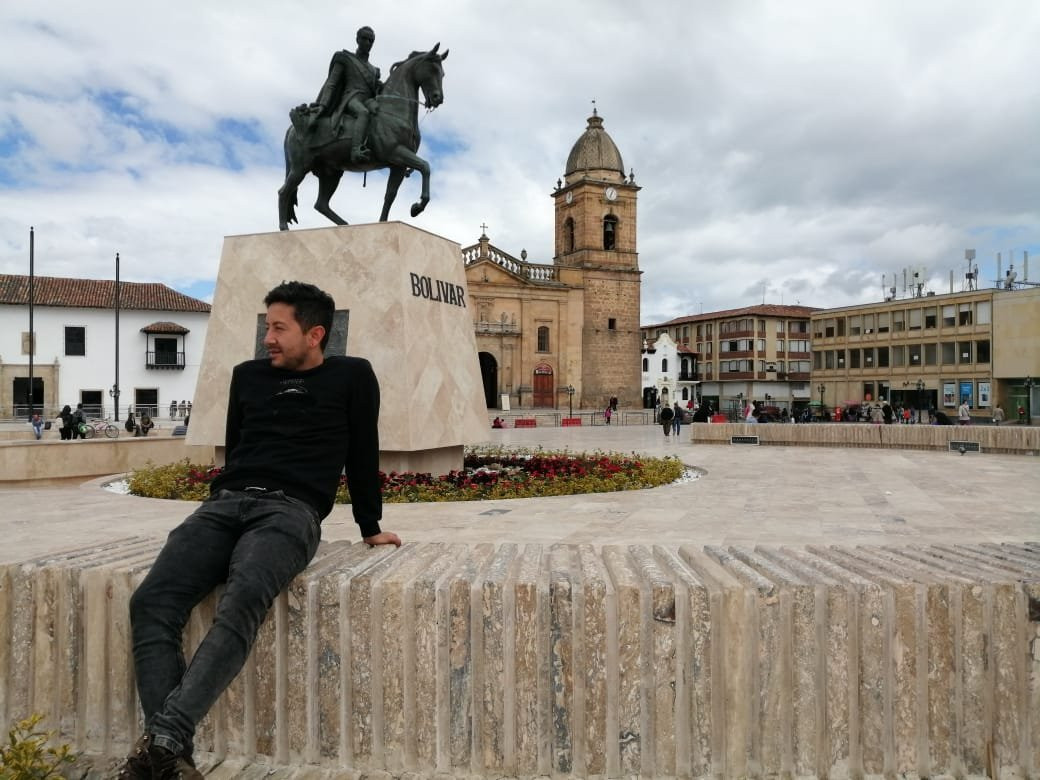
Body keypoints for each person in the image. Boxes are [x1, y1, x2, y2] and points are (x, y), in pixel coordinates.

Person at [117, 281, 401, 780]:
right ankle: (168, 748)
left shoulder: (353, 376)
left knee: (245, 592)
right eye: (266, 326)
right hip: (224, 504)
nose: (267, 337)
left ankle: (162, 740)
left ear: (314, 334)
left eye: (278, 328)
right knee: (151, 602)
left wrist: (369, 525)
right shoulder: (246, 376)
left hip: (291, 512)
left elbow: (363, 453)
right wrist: (216, 504)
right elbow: (235, 446)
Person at [311, 26, 382, 163]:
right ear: (357, 39)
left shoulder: (374, 70)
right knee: (363, 113)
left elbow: (377, 89)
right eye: (365, 39)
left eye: (371, 40)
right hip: (351, 98)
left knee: (383, 115)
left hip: (368, 100)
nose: (368, 43)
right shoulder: (344, 58)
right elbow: (331, 84)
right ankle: (356, 150)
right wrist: (323, 105)